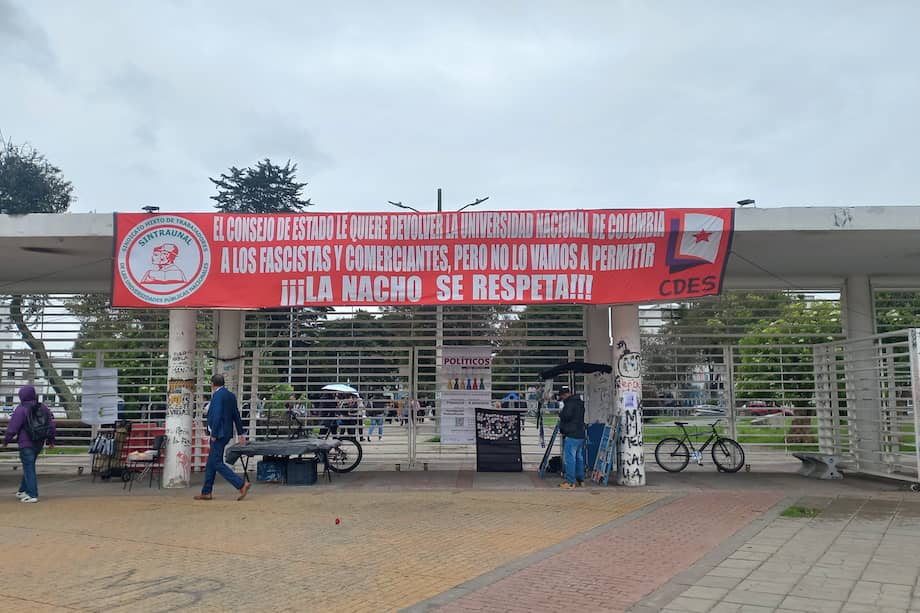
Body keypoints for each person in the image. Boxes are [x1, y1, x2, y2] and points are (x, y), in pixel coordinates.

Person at [195, 374, 250, 501]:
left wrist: (213, 434)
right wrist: (241, 433)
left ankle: (241, 484)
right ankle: (206, 491)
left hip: (218, 434)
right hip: (226, 433)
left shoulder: (217, 396)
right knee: (211, 463)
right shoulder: (231, 395)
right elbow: (236, 415)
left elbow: (218, 414)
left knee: (216, 463)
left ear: (213, 384)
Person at [2, 385, 56, 503]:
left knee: (29, 467)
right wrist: (51, 441)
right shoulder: (43, 408)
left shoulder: (21, 409)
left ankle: (32, 494)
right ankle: (22, 491)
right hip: (39, 442)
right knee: (29, 466)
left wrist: (6, 440)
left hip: (25, 442)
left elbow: (13, 427)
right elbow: (51, 426)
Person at [557, 386, 586, 489]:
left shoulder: (569, 403)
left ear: (564, 395)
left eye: (562, 397)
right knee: (579, 457)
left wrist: (561, 413)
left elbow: (566, 416)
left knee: (570, 458)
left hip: (571, 434)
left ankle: (570, 482)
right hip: (580, 433)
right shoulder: (580, 402)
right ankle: (581, 480)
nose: (562, 399)